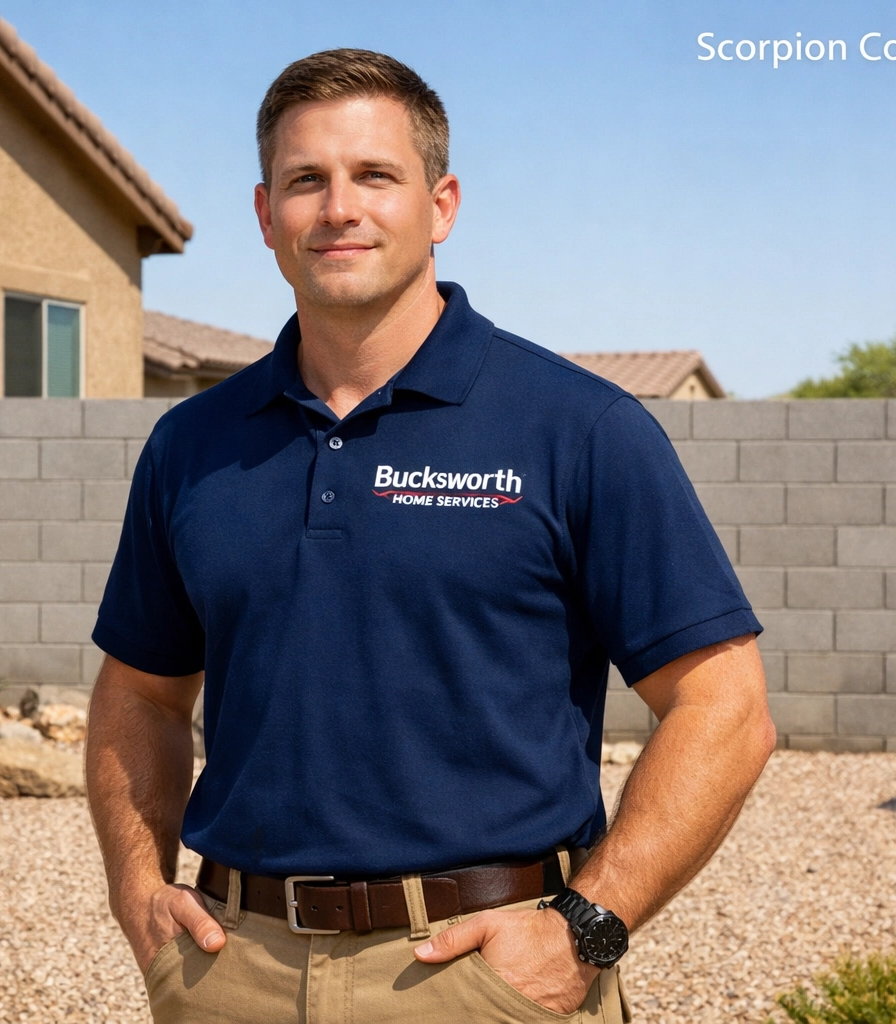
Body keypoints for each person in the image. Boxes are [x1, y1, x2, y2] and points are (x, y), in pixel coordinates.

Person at [86, 48, 776, 1023]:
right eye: (304, 182)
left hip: (480, 976)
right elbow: (141, 695)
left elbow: (725, 705)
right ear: (264, 215)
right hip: (229, 971)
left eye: (374, 175)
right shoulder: (192, 446)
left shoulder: (578, 429)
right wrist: (135, 885)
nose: (338, 208)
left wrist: (587, 927)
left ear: (441, 204)